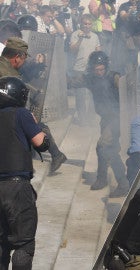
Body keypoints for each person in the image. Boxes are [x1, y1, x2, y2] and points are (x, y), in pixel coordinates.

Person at [0, 76, 49, 270]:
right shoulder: (21, 114)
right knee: (23, 245)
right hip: (16, 188)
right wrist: (39, 127)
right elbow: (41, 143)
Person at [0, 37, 67, 174]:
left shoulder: (5, 65)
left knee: (32, 125)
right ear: (18, 57)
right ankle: (55, 154)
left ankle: (55, 154)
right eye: (24, 58)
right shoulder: (8, 72)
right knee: (29, 125)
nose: (23, 62)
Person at [79, 50, 128, 197]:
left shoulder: (115, 78)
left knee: (104, 147)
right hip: (106, 119)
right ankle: (103, 179)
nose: (99, 72)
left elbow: (126, 95)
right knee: (105, 149)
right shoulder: (90, 78)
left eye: (102, 69)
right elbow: (72, 82)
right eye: (96, 70)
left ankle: (122, 183)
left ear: (106, 67)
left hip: (117, 119)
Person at [68, 13, 101, 126]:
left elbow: (98, 51)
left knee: (93, 94)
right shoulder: (75, 34)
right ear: (81, 24)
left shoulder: (95, 36)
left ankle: (91, 118)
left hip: (91, 70)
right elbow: (72, 50)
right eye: (85, 24)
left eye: (89, 24)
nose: (87, 26)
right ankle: (82, 120)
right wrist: (80, 39)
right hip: (79, 69)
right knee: (80, 95)